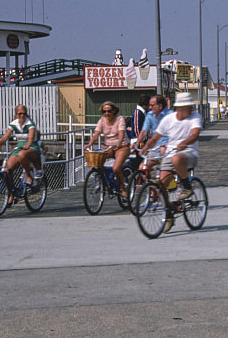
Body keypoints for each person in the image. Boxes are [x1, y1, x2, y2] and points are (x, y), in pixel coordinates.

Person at [138, 92, 201, 234]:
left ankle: (187, 187)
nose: (190, 109)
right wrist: (145, 148)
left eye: (191, 106)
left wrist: (184, 143)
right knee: (160, 184)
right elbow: (155, 138)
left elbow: (195, 134)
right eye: (188, 107)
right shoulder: (169, 119)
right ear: (180, 108)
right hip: (170, 154)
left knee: (176, 158)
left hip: (188, 153)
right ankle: (169, 215)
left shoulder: (195, 117)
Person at [0, 104, 43, 189]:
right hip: (19, 146)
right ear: (16, 115)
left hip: (32, 146)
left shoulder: (30, 123)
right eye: (20, 113)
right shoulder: (14, 123)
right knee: (7, 170)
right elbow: (5, 137)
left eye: (24, 113)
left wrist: (28, 144)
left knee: (22, 154)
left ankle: (29, 177)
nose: (22, 115)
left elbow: (31, 137)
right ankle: (12, 193)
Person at [86, 101, 131, 197]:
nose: (107, 113)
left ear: (114, 110)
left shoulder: (120, 119)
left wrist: (119, 142)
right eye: (104, 111)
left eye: (109, 111)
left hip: (122, 146)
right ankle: (106, 182)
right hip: (109, 146)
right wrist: (89, 144)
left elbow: (121, 133)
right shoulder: (102, 121)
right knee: (98, 163)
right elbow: (96, 135)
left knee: (116, 168)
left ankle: (123, 188)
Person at [137, 95, 171, 176]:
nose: (149, 107)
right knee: (142, 167)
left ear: (160, 106)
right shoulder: (149, 115)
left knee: (164, 171)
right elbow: (144, 131)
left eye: (152, 105)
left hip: (168, 147)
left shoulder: (170, 115)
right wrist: (137, 143)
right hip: (155, 147)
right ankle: (149, 186)